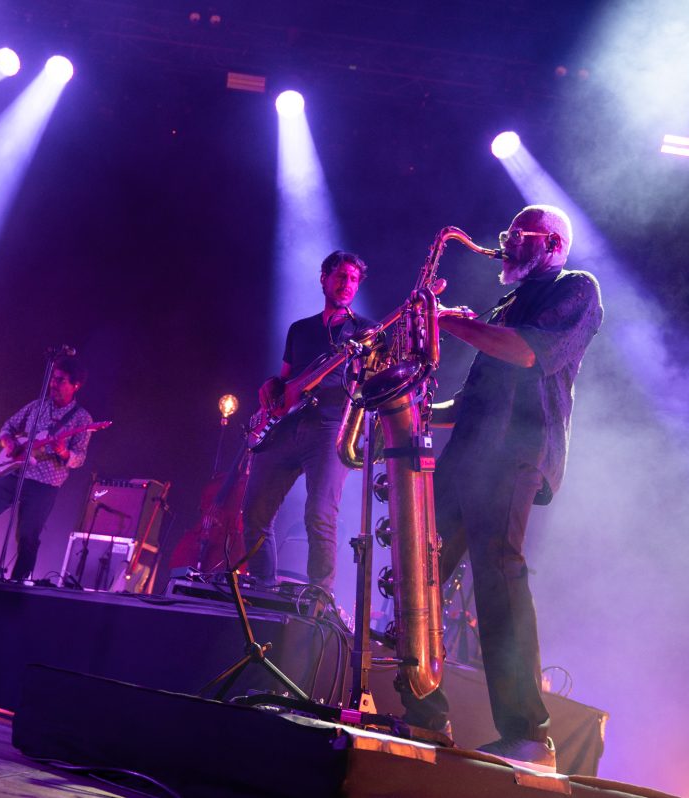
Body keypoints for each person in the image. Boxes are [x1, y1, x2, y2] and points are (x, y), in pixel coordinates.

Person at [400, 205, 603, 770]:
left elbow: (530, 352)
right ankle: (424, 714)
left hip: (515, 453)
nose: (507, 243)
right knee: (418, 577)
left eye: (520, 235)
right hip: (468, 454)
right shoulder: (505, 303)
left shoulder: (576, 287)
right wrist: (412, 409)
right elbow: (472, 400)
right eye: (508, 234)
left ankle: (528, 734)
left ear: (553, 243)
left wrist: (450, 322)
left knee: (498, 580)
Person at [241, 251, 373, 595]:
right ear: (324, 278)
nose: (347, 284)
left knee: (319, 514)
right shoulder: (299, 329)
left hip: (330, 428)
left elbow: (371, 383)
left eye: (353, 279)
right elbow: (285, 379)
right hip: (286, 427)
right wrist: (271, 385)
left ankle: (319, 598)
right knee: (254, 512)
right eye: (340, 276)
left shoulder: (366, 331)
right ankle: (262, 588)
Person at [0, 356, 92, 581]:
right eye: (53, 378)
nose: (53, 384)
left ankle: (18, 584)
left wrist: (64, 452)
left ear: (76, 385)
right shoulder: (37, 405)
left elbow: (80, 458)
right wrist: (8, 442)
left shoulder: (82, 419)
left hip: (44, 485)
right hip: (15, 473)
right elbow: (8, 426)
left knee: (28, 537)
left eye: (61, 380)